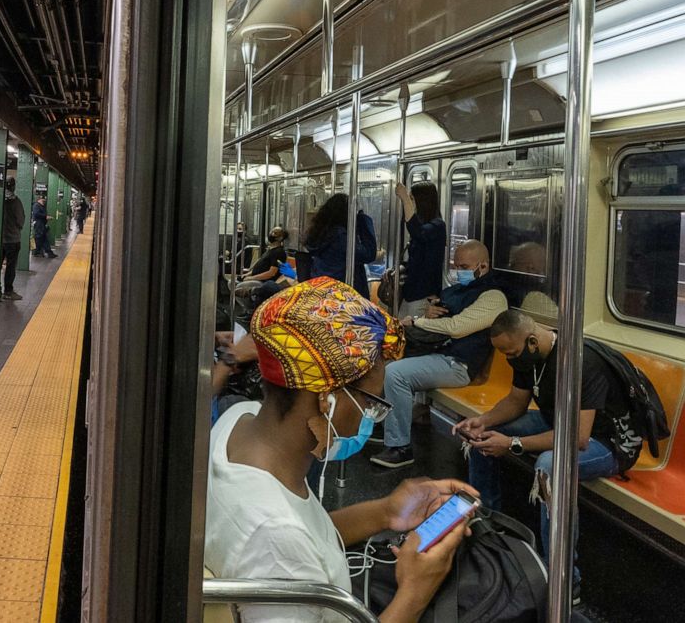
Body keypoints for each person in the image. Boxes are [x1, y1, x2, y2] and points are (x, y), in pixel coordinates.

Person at [205, 277, 478, 622]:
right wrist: (415, 592)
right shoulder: (275, 537)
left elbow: (305, 540)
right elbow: (285, 542)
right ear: (326, 399)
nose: (371, 416)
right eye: (370, 400)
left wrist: (385, 512)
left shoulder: (238, 421)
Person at [454, 310, 631, 600]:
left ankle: (562, 576)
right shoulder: (527, 355)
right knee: (483, 439)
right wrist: (483, 421)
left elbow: (578, 438)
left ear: (533, 341)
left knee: (550, 466)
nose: (509, 358)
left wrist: (513, 443)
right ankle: (491, 527)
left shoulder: (582, 362)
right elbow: (515, 402)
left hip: (608, 443)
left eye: (510, 352)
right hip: (555, 421)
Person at [372, 240, 508, 468]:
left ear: (483, 267)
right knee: (382, 356)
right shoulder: (457, 290)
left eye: (464, 267)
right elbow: (442, 315)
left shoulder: (493, 297)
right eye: (456, 266)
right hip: (438, 353)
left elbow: (457, 327)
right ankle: (385, 426)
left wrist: (419, 320)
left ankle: (400, 447)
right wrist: (430, 312)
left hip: (459, 365)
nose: (459, 272)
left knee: (396, 373)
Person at [306, 193, 377, 298]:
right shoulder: (340, 237)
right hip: (342, 292)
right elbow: (369, 254)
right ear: (347, 214)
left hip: (322, 288)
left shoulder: (322, 234)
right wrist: (363, 220)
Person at [395, 182, 446, 317]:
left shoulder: (437, 226)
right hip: (411, 293)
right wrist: (400, 268)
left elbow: (418, 232)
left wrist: (405, 198)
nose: (410, 203)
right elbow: (418, 260)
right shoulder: (424, 225)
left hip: (423, 295)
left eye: (412, 199)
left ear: (422, 201)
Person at [1, 178, 27, 301]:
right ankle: (8, 291)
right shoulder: (16, 201)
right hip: (12, 239)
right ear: (13, 187)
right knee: (10, 267)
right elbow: (21, 220)